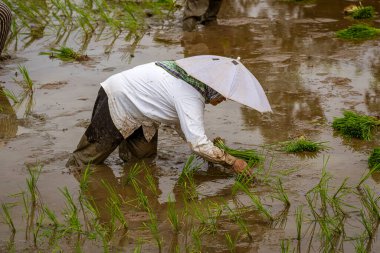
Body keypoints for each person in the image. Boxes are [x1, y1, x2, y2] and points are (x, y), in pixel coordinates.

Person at [66, 59, 250, 175]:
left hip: (143, 112)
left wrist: (212, 154)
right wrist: (232, 161)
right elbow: (198, 144)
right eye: (223, 94)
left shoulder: (189, 78)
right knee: (86, 160)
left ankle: (131, 195)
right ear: (213, 87)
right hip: (118, 97)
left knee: (143, 160)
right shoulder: (190, 96)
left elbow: (183, 126)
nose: (224, 99)